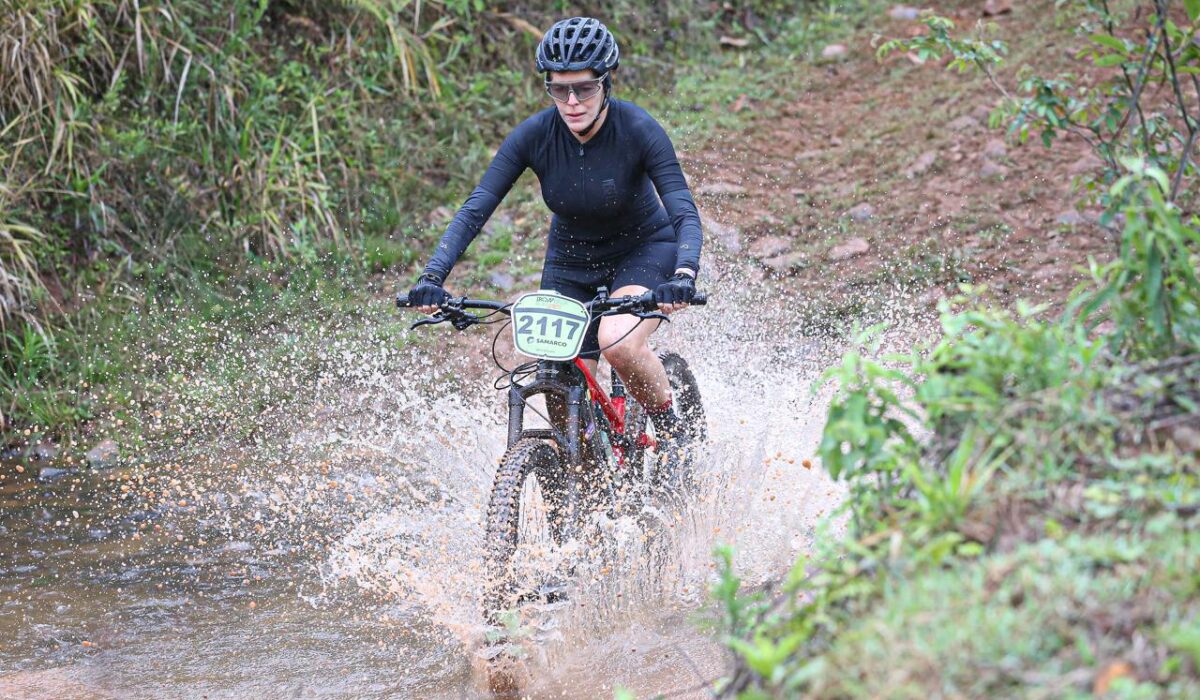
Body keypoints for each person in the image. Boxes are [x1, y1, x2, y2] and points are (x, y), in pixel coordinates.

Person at [406, 16, 703, 455]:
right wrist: (432, 277)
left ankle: (675, 435)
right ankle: (582, 473)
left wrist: (684, 272)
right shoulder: (535, 135)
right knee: (558, 380)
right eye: (559, 89)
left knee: (617, 342)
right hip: (570, 261)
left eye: (584, 88)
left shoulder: (639, 129)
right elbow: (476, 207)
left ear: (606, 83)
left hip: (644, 250)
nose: (572, 102)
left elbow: (682, 207)